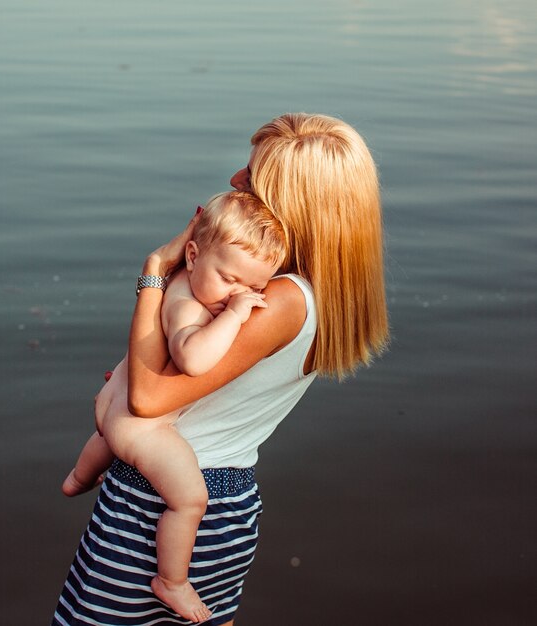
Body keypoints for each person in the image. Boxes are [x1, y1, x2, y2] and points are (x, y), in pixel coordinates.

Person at [52, 112, 389, 626]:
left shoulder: (277, 301)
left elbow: (146, 400)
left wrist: (154, 274)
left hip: (160, 501)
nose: (235, 179)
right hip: (221, 502)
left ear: (293, 205)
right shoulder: (309, 294)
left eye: (252, 177)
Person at [61, 191, 286, 623]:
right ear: (193, 253)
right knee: (189, 499)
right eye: (228, 279)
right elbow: (194, 359)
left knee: (108, 437)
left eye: (254, 287)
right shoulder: (187, 305)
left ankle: (78, 476)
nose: (235, 294)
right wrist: (237, 316)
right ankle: (172, 581)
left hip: (117, 417)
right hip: (142, 428)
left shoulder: (188, 280)